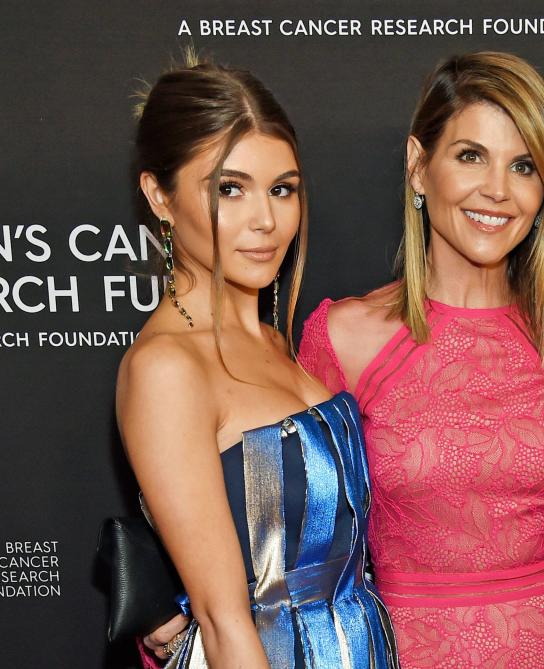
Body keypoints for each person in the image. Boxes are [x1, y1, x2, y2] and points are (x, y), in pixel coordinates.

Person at [297, 52, 544, 668]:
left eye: (523, 166)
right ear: (419, 166)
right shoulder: (347, 339)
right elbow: (290, 532)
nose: (497, 189)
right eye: (471, 155)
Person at [118, 55, 396, 668]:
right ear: (160, 197)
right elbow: (223, 623)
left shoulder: (276, 343)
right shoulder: (166, 367)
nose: (266, 220)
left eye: (282, 189)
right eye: (229, 189)